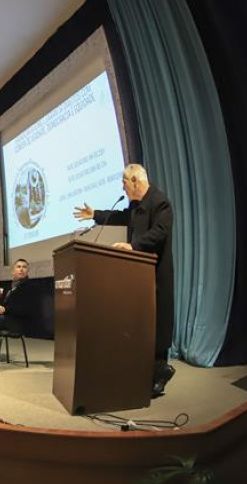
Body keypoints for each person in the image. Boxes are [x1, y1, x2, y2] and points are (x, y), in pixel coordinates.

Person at [74, 163, 175, 397]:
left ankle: (160, 371)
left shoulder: (160, 202)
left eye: (124, 183)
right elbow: (121, 217)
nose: (124, 188)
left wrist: (133, 246)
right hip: (139, 274)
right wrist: (95, 215)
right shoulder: (137, 206)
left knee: (158, 322)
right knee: (143, 322)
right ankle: (146, 372)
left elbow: (160, 232)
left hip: (157, 273)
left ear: (135, 181)